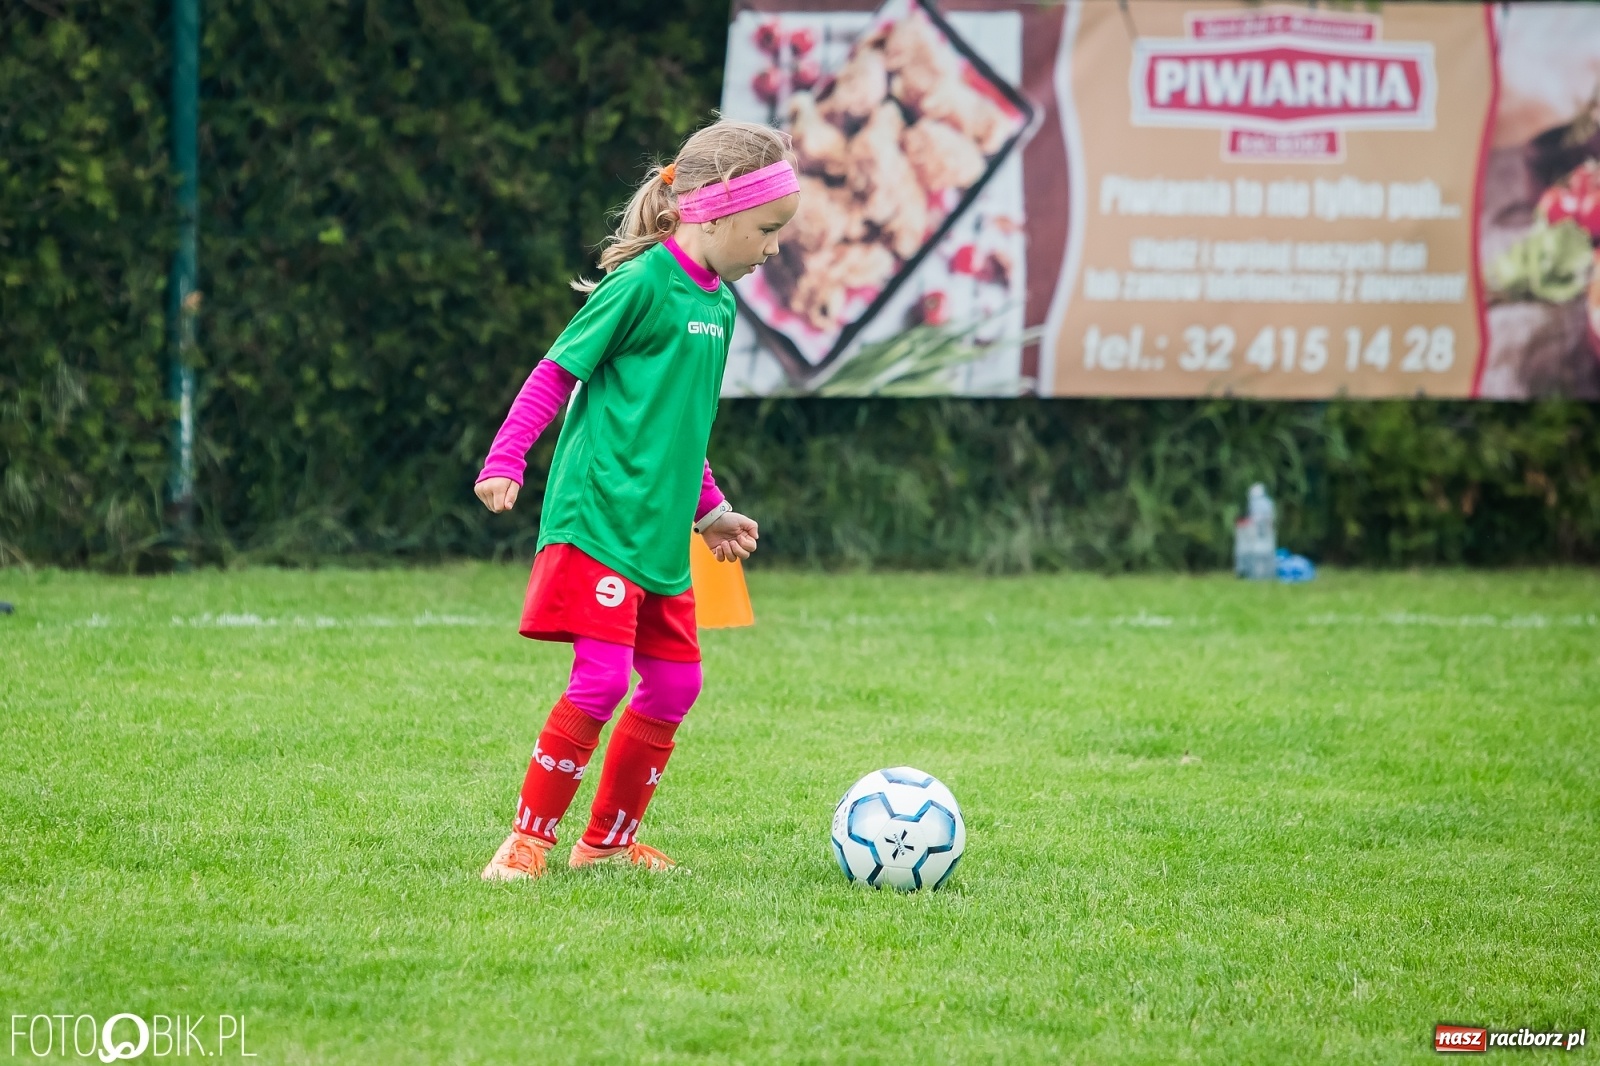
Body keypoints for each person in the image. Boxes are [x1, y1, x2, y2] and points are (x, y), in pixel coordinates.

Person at [474, 119, 800, 880]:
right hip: (601, 517)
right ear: (713, 209)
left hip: (660, 531)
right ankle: (527, 842)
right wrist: (507, 454)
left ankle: (606, 845)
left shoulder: (716, 303)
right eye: (767, 229)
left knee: (678, 683)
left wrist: (710, 508)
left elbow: (678, 426)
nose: (774, 248)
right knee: (601, 680)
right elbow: (557, 370)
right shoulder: (641, 285)